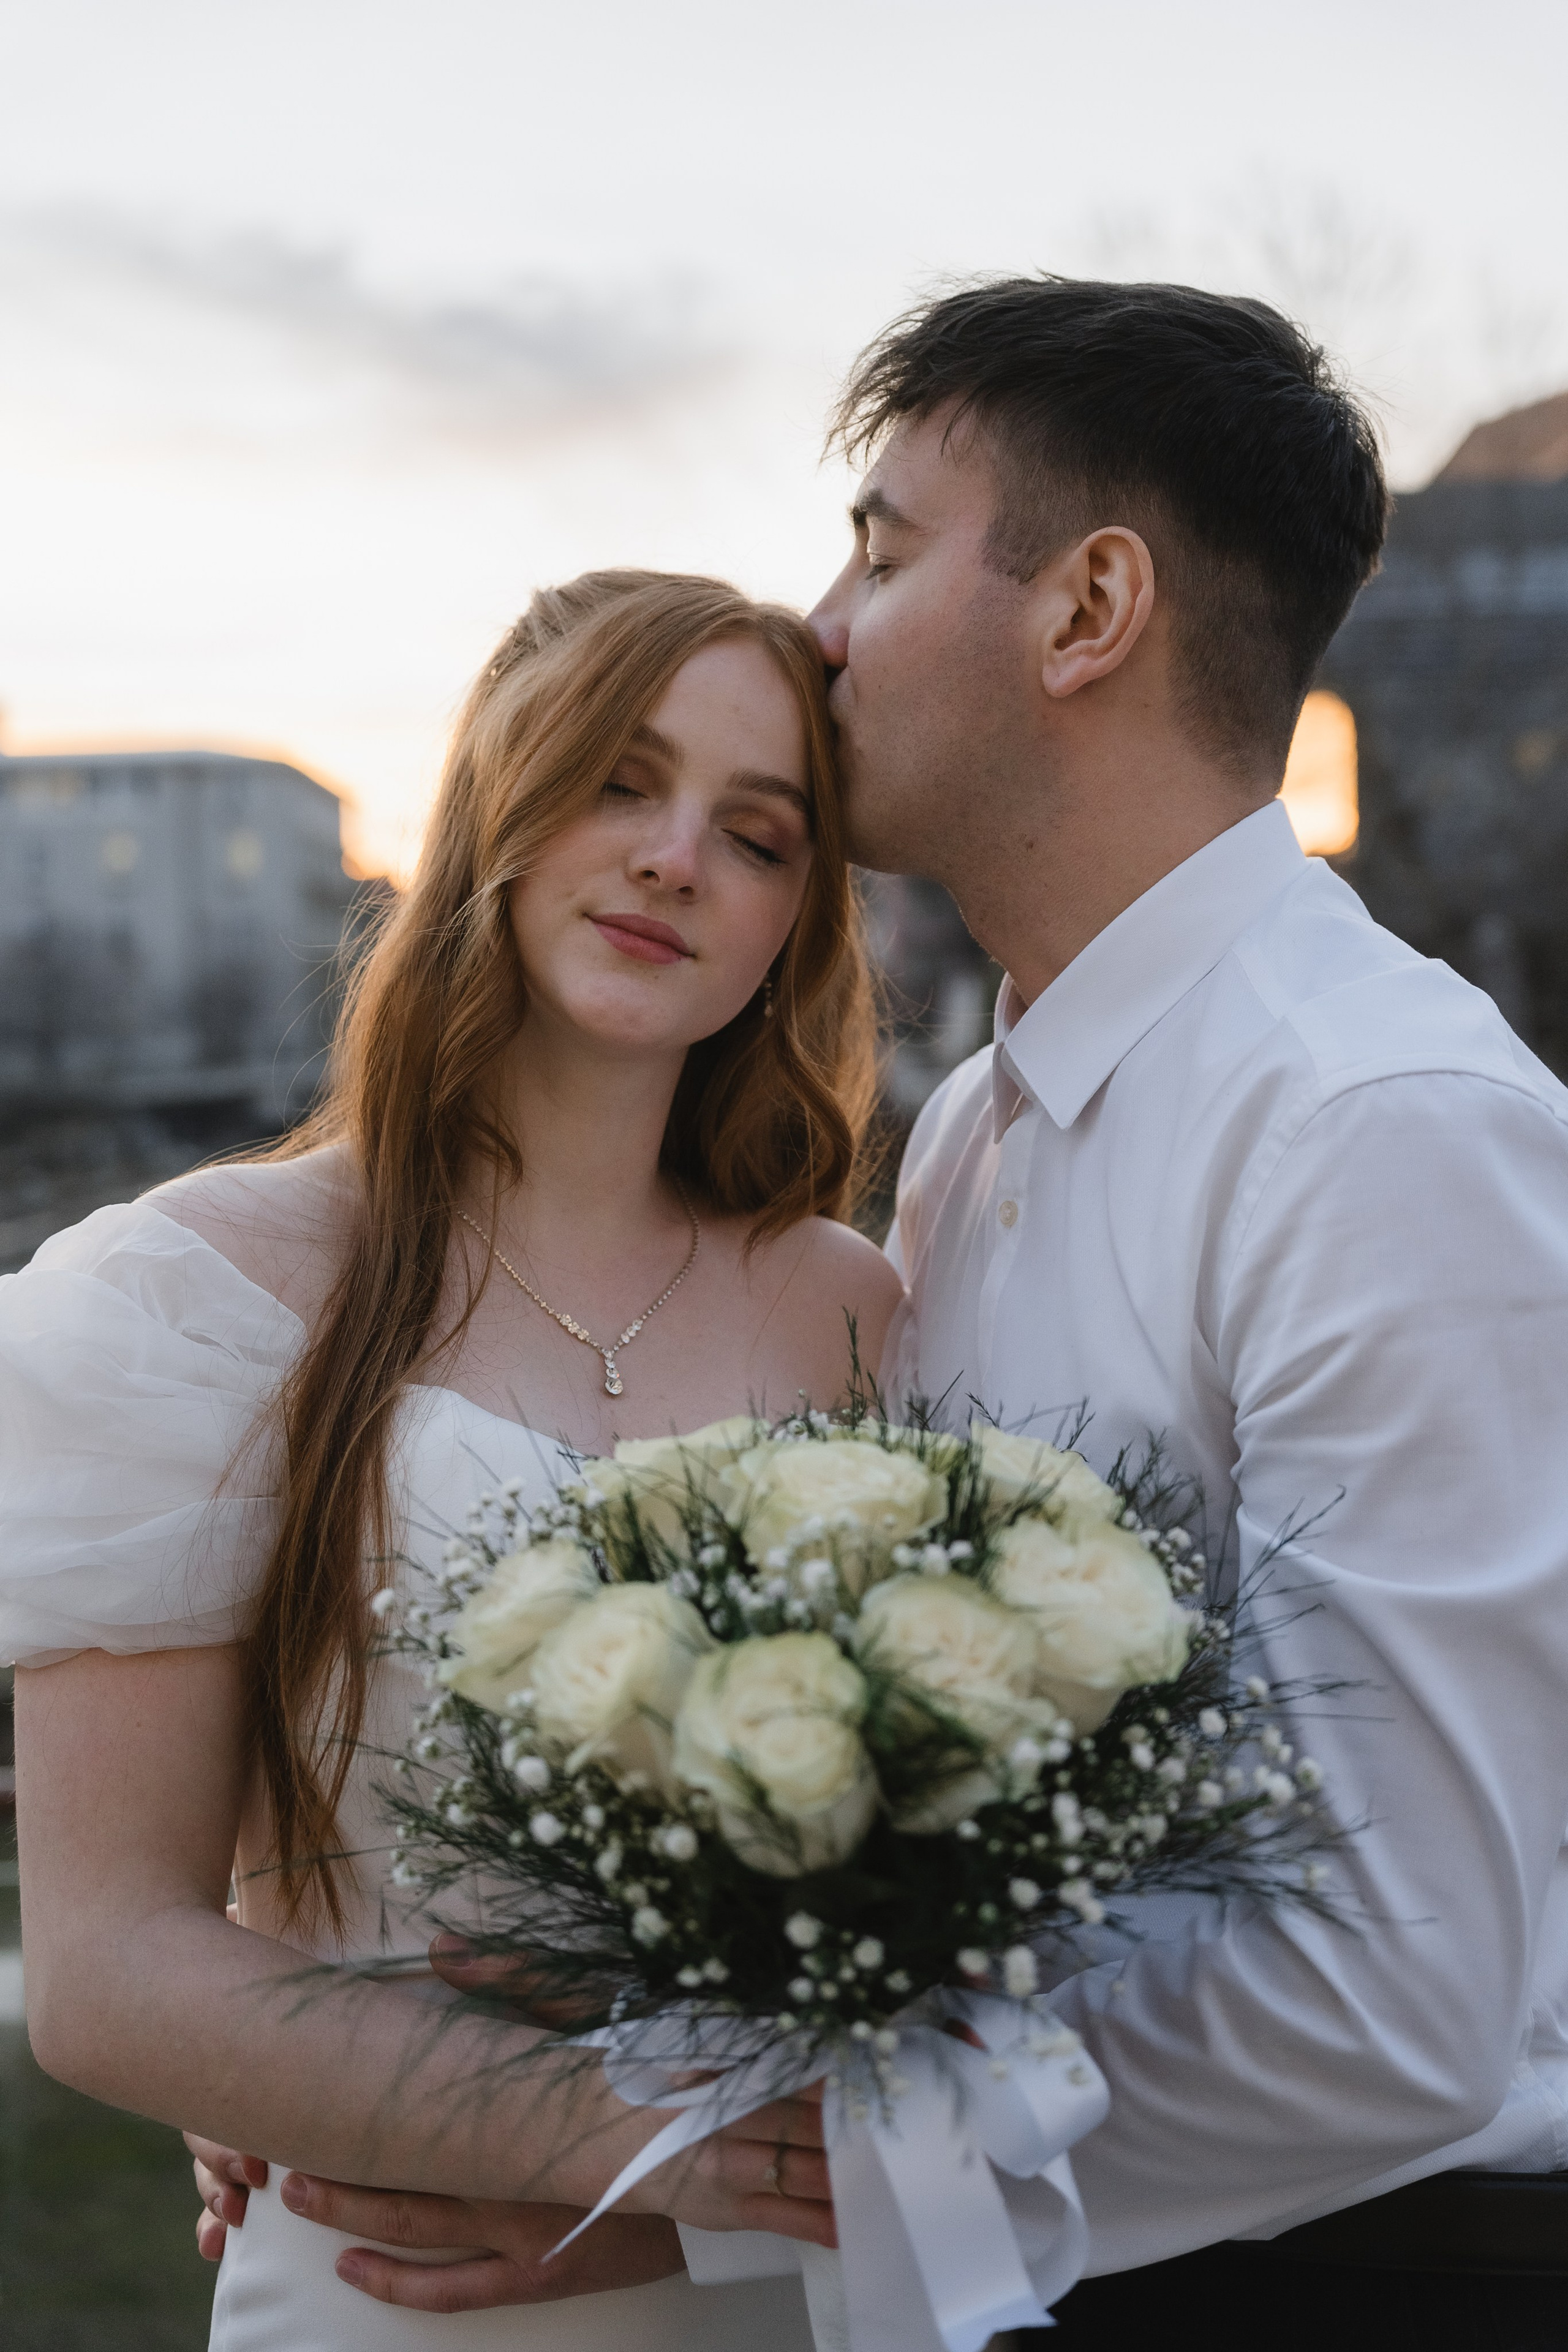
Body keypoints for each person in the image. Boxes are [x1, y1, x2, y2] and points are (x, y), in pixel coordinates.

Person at [205, 277, 1568, 2352]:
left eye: (883, 546)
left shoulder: (1382, 1130)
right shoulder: (974, 1145)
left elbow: (1386, 1990)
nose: (822, 623)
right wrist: (350, 2059)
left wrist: (672, 2180)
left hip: (1372, 2278)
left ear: (1088, 608)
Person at [1, 568, 905, 2350]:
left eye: (758, 833)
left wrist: (699, 2207)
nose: (675, 860)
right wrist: (618, 2141)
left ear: (798, 918)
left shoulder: (857, 1310)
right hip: (395, 2281)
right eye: (619, 781)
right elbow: (109, 1974)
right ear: (496, 793)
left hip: (785, 2287)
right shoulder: (200, 1296)